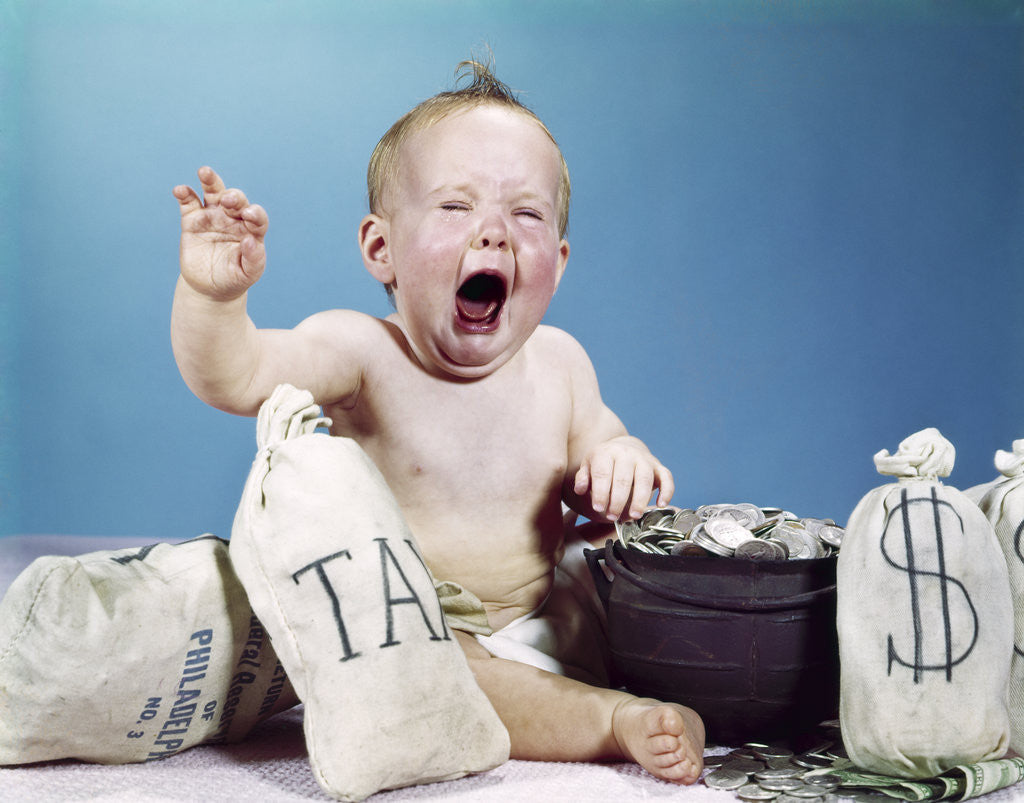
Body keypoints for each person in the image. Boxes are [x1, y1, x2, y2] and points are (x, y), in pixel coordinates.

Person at [171, 59, 705, 785]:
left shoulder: (561, 363)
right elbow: (234, 376)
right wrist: (213, 298)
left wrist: (624, 462)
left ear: (560, 261)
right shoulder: (362, 353)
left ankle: (715, 691)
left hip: (552, 616)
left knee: (644, 572)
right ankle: (609, 720)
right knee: (443, 673)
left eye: (526, 214)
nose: (493, 233)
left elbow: (611, 447)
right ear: (380, 248)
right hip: (420, 632)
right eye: (455, 207)